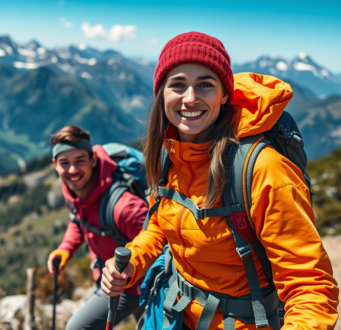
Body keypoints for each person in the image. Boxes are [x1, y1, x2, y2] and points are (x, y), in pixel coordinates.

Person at [101, 32, 339, 330]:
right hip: (173, 313)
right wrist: (133, 262)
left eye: (205, 85)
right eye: (177, 84)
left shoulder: (262, 169)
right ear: (162, 93)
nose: (190, 98)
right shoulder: (167, 155)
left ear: (224, 94)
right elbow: (159, 227)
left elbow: (309, 286)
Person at [47, 125, 148, 330]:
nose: (73, 170)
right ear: (54, 164)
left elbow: (159, 242)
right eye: (64, 163)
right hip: (112, 277)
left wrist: (133, 276)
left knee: (77, 327)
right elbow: (78, 218)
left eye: (80, 161)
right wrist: (65, 248)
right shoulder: (75, 189)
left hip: (130, 284)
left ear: (93, 160)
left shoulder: (124, 207)